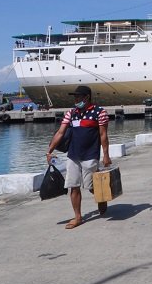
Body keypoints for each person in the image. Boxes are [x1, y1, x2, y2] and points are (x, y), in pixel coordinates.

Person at [46, 85, 110, 229]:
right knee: (73, 186)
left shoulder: (99, 113)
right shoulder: (71, 113)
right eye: (74, 96)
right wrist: (49, 151)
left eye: (78, 96)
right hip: (73, 155)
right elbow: (60, 133)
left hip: (90, 155)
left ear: (87, 97)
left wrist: (106, 155)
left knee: (90, 186)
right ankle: (78, 217)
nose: (75, 99)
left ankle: (102, 199)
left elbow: (103, 136)